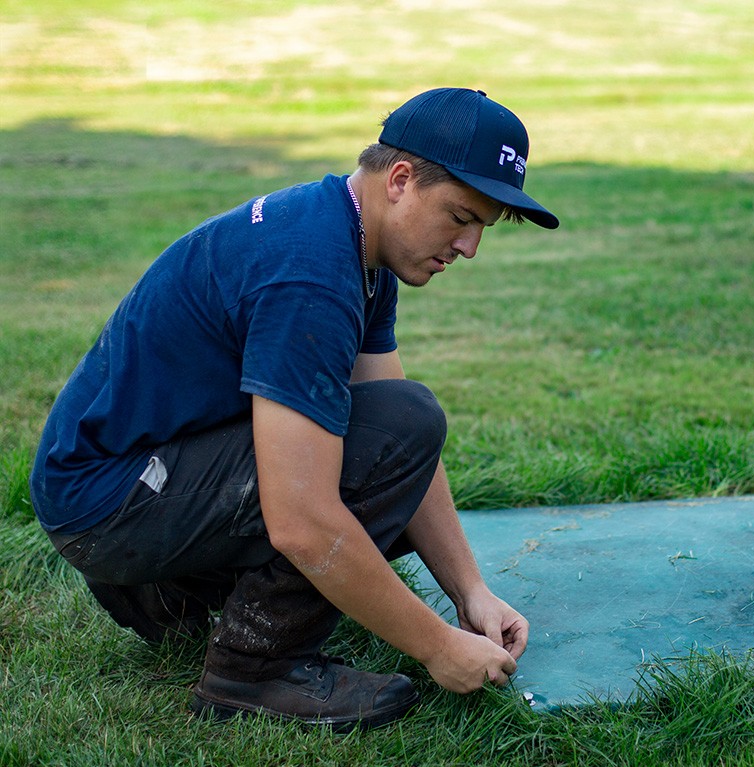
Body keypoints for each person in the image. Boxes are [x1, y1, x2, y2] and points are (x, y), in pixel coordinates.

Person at [29, 87, 559, 731]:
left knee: (397, 432)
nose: (470, 246)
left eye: (483, 227)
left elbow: (402, 448)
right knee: (394, 436)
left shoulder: (350, 241)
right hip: (107, 505)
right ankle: (253, 671)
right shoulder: (310, 271)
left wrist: (470, 592)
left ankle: (174, 594)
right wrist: (438, 648)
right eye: (460, 216)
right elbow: (304, 520)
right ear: (399, 181)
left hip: (125, 483)